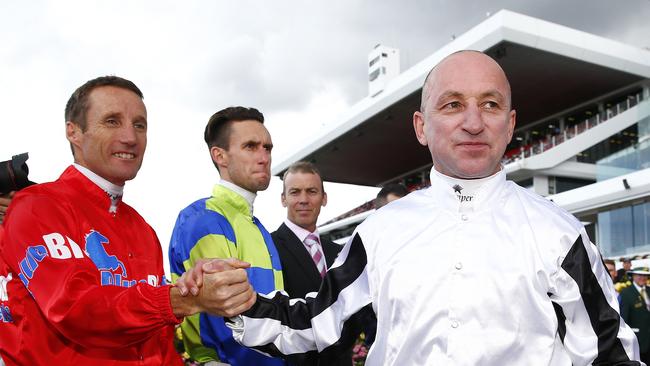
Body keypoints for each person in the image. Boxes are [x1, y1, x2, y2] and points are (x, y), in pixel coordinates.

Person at [190, 51, 641, 365]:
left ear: (510, 124)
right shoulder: (381, 232)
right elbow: (313, 323)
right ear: (422, 127)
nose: (472, 121)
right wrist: (241, 303)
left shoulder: (559, 234)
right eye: (453, 105)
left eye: (490, 104)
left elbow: (611, 354)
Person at [0, 76, 254, 365]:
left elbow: (157, 343)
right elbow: (76, 310)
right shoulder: (37, 206)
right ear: (74, 132)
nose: (130, 138)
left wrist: (189, 287)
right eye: (111, 121)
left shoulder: (143, 229)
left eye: (139, 125)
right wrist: (184, 299)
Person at [168, 106, 286, 366]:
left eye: (267, 147)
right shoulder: (204, 218)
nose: (264, 157)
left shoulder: (257, 225)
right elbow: (228, 321)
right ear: (220, 155)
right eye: (250, 146)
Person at [272, 161, 354, 365]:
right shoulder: (268, 247)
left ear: (324, 198)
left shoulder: (340, 252)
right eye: (295, 192)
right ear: (283, 199)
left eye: (311, 191)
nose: (303, 200)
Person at [621, 267, 650, 363]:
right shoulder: (626, 293)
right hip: (639, 341)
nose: (643, 278)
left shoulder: (649, 290)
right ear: (633, 276)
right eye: (639, 275)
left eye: (645, 275)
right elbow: (624, 319)